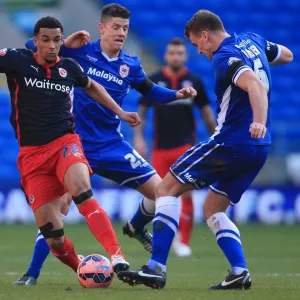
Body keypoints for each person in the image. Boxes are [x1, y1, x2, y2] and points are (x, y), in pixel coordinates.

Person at [14, 4, 196, 285]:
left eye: (125, 28)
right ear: (102, 28)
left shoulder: (131, 65)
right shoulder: (79, 51)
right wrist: (69, 41)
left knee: (163, 191)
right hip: (72, 144)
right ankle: (32, 272)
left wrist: (176, 94)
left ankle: (136, 226)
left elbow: (151, 91)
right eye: (115, 27)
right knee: (58, 209)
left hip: (112, 145)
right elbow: (34, 46)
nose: (121, 33)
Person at [117, 9, 293, 290]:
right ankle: (238, 271)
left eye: (197, 44)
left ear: (205, 34)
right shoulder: (252, 39)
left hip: (232, 141)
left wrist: (258, 120)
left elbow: (255, 85)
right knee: (213, 207)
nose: (199, 51)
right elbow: (286, 55)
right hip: (260, 147)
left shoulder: (224, 57)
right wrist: (258, 59)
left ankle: (155, 268)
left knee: (166, 188)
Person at [1, 16, 144, 284]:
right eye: (46, 39)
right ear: (36, 41)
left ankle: (117, 256)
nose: (52, 45)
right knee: (54, 238)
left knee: (82, 191)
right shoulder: (16, 60)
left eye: (57, 39)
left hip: (65, 143)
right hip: (32, 156)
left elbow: (93, 87)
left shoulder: (69, 67)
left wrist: (121, 112)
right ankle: (84, 269)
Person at [135, 37, 215, 257]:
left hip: (185, 148)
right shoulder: (154, 80)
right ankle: (163, 238)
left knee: (185, 195)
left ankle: (184, 242)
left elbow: (207, 113)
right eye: (172, 53)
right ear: (166, 55)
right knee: (158, 194)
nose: (176, 56)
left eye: (180, 53)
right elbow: (141, 111)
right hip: (160, 149)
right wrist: (139, 138)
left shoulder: (194, 81)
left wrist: (217, 137)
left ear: (185, 56)